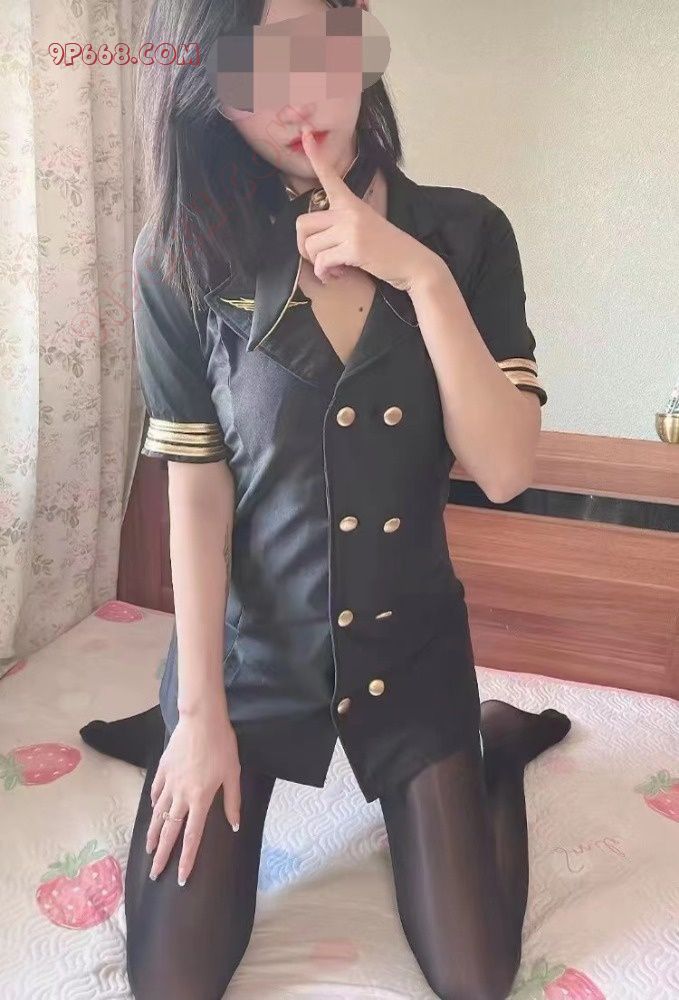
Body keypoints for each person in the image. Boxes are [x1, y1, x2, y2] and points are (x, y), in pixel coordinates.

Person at [81, 1, 572, 997]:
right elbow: (198, 486)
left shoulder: (465, 233)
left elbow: (504, 469)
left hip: (410, 647)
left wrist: (418, 274)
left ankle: (495, 744)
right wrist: (200, 715)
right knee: (173, 981)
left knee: (475, 977)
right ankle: (163, 723)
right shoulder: (180, 254)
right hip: (251, 657)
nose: (294, 94)